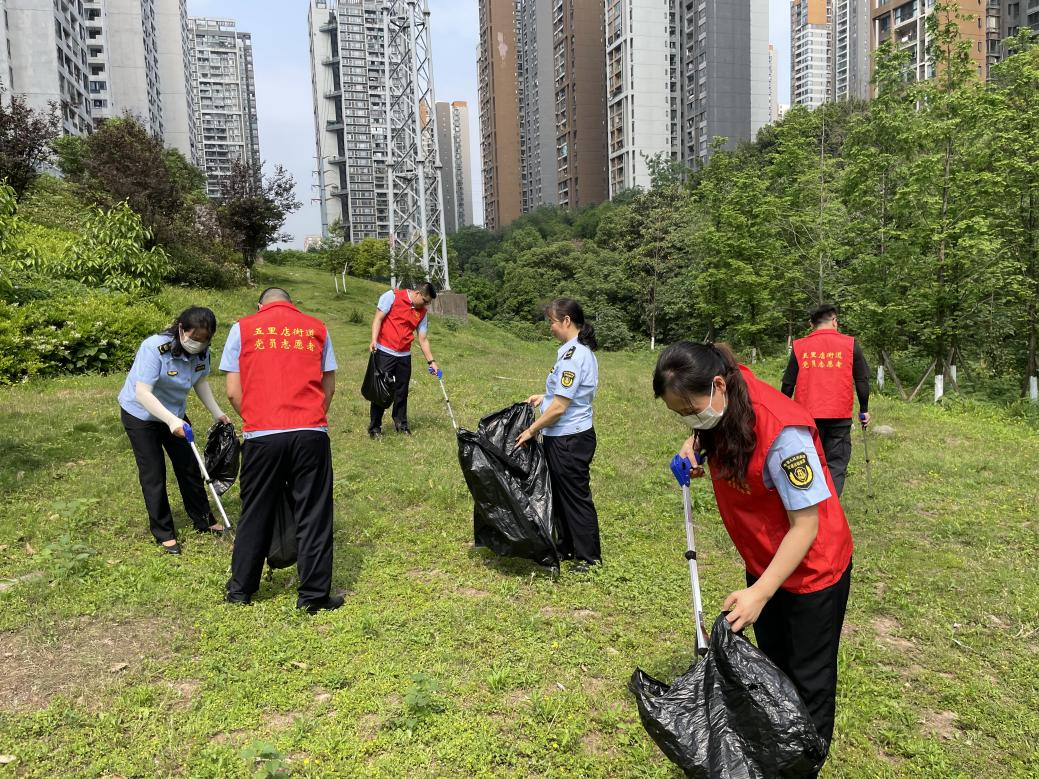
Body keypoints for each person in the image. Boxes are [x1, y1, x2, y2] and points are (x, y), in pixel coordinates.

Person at [654, 341, 853, 762]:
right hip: (764, 561)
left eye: (692, 411)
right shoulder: (723, 396)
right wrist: (694, 445)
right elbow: (710, 423)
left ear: (719, 386)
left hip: (813, 569)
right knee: (774, 669)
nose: (691, 419)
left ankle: (804, 763)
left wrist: (760, 592)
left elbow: (807, 525)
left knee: (808, 681)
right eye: (680, 416)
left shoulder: (785, 433)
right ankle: (778, 750)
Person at [220, 287, 341, 612]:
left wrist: (259, 420)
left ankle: (241, 591)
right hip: (310, 432)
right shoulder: (317, 327)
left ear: (261, 305)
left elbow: (233, 391)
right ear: (292, 305)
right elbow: (329, 384)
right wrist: (313, 416)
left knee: (255, 509)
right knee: (313, 513)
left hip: (262, 434)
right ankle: (314, 598)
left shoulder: (242, 328)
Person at [118, 307, 230, 555]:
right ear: (181, 329)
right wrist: (171, 421)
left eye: (204, 340)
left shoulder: (202, 353)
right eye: (194, 338)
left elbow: (200, 381)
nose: (198, 343)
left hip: (174, 415)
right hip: (142, 414)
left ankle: (204, 519)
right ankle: (164, 532)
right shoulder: (154, 348)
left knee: (190, 467)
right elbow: (143, 393)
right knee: (153, 472)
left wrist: (217, 412)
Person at [514, 299, 601, 572]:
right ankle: (566, 547)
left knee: (575, 497)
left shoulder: (574, 356)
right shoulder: (570, 352)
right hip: (564, 435)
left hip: (569, 439)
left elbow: (560, 408)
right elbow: (562, 396)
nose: (550, 327)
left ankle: (588, 558)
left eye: (552, 321)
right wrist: (544, 397)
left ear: (566, 321)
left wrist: (530, 430)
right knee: (560, 495)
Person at [781, 303, 871, 497]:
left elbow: (788, 383)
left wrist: (782, 411)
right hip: (839, 416)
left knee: (808, 461)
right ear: (834, 321)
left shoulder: (800, 346)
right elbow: (862, 380)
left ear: (811, 324)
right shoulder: (850, 344)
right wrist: (864, 409)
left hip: (806, 419)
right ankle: (831, 509)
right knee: (836, 464)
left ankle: (810, 506)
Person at [367, 281, 439, 438]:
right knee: (382, 390)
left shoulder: (422, 313)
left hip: (404, 356)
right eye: (425, 301)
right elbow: (378, 318)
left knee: (402, 391)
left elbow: (423, 338)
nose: (426, 305)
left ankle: (401, 424)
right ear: (418, 293)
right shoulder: (392, 296)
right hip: (385, 351)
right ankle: (375, 428)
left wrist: (431, 361)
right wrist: (373, 340)